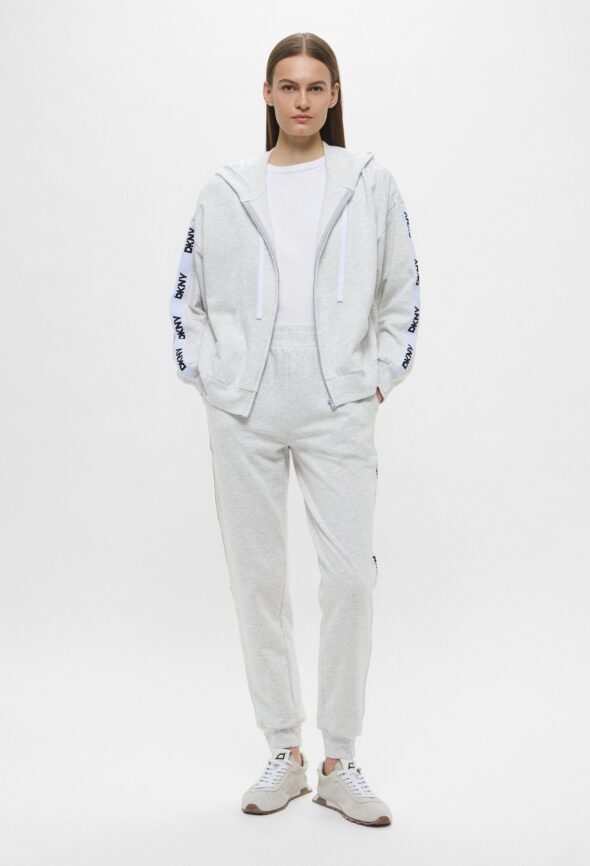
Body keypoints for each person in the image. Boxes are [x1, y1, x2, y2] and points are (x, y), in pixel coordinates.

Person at [169, 32, 420, 827]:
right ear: (268, 95)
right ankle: (284, 748)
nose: (302, 100)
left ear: (334, 95)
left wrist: (376, 379)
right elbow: (186, 296)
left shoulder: (368, 182)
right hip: (244, 407)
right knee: (258, 580)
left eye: (316, 86)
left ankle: (341, 757)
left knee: (349, 580)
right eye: (289, 86)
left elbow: (402, 291)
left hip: (337, 404)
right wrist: (211, 377)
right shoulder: (226, 189)